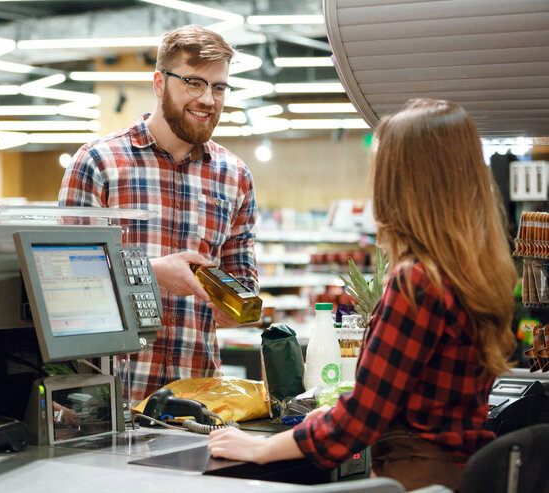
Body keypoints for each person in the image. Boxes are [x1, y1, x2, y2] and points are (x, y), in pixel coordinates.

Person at [208, 98, 517, 491]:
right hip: (460, 474)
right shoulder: (478, 273)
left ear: (402, 184)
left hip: (417, 478)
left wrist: (259, 448)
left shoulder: (417, 283)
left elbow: (359, 418)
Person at [58, 25, 258, 405]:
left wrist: (238, 309)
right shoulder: (98, 163)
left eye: (219, 87)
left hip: (197, 404)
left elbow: (243, 282)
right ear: (159, 82)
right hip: (109, 402)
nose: (208, 99)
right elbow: (64, 283)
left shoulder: (235, 177)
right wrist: (152, 272)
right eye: (194, 83)